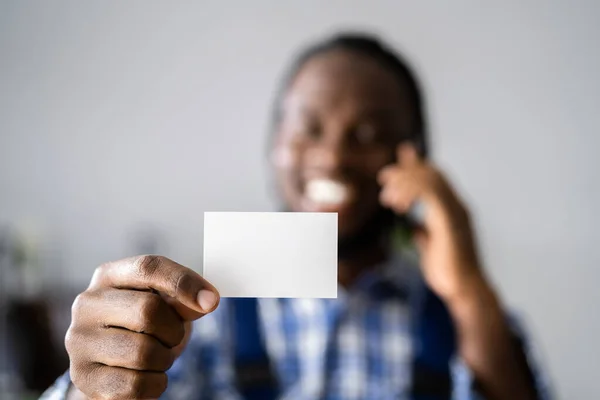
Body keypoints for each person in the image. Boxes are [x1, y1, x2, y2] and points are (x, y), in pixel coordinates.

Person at [42, 33, 549, 400]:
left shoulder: (468, 318)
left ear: (413, 157)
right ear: (275, 147)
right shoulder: (198, 316)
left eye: (368, 136)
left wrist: (469, 293)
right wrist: (92, 386)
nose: (331, 160)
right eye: (309, 129)